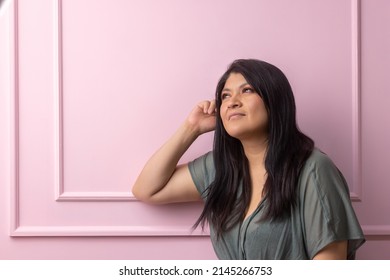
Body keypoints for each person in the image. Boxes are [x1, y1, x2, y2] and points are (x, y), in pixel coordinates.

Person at [132, 59, 365, 259]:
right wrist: (191, 128)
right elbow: (146, 189)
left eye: (247, 90)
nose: (232, 101)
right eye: (225, 96)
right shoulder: (218, 168)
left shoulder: (312, 169)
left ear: (274, 100)